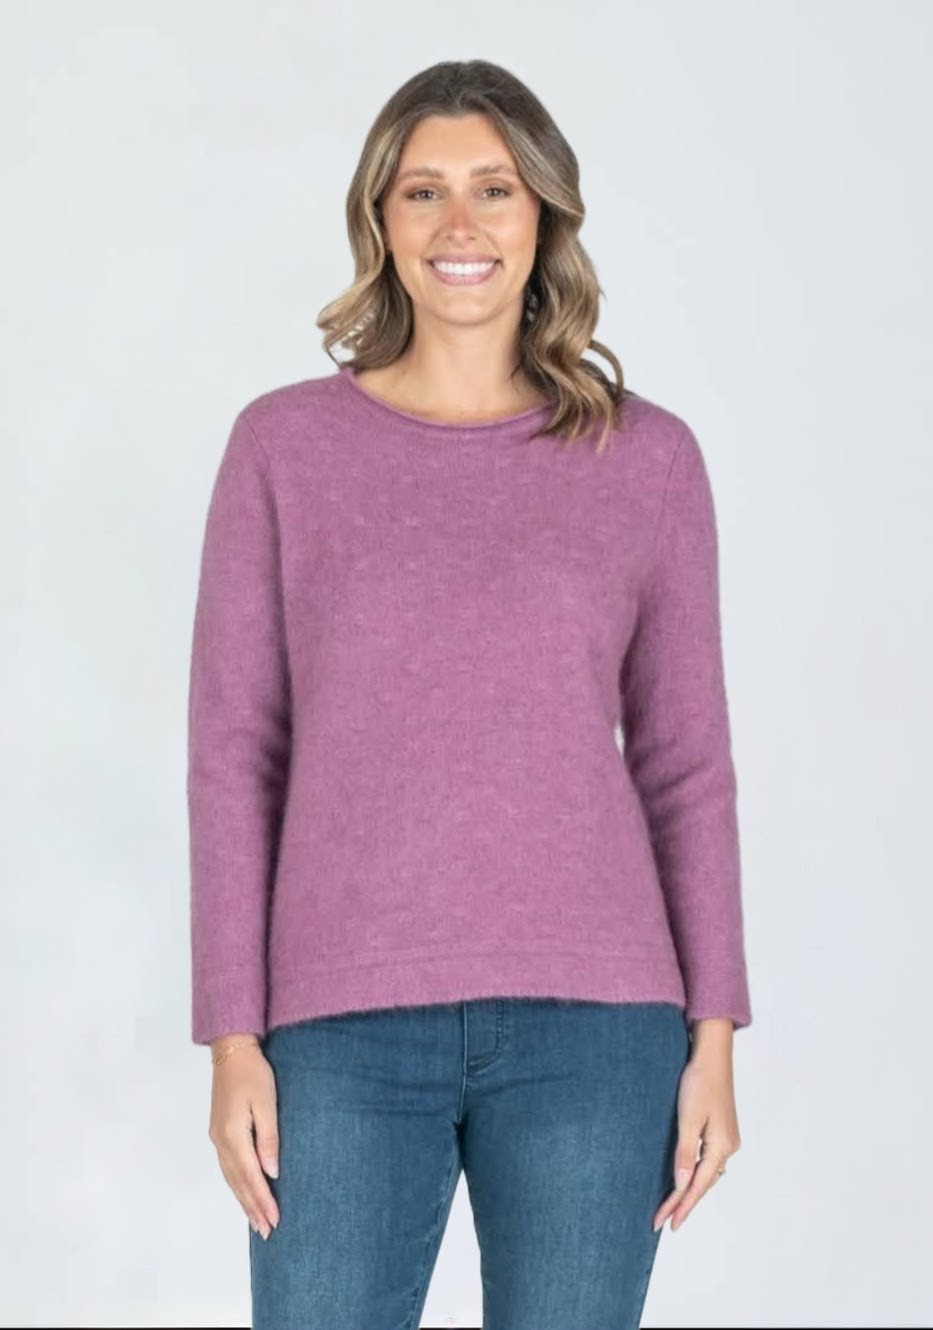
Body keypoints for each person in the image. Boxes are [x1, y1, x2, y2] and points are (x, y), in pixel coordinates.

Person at [187, 58, 752, 1330]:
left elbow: (685, 759)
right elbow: (234, 753)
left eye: (494, 189)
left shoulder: (646, 459)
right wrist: (231, 1036)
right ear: (380, 221)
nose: (461, 223)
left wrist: (715, 1031)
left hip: (598, 1029)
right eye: (423, 190)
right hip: (336, 1028)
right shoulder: (282, 449)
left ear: (543, 213)